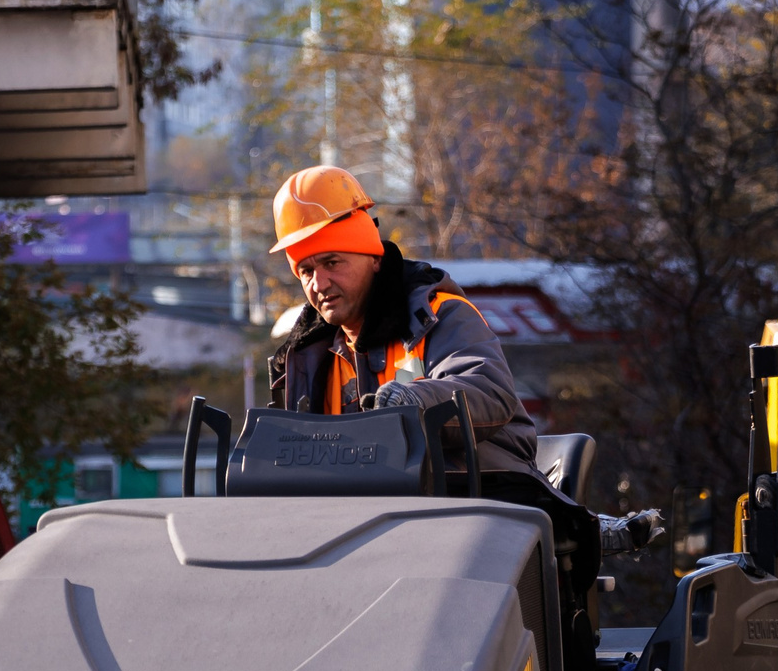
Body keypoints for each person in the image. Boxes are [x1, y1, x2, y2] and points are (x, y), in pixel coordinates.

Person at [264, 165, 663, 557]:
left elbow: (487, 391)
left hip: (473, 513)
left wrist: (414, 403)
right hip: (359, 535)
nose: (319, 284)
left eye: (332, 262)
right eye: (305, 270)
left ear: (373, 256)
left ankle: (578, 526)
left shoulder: (440, 315)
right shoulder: (304, 358)